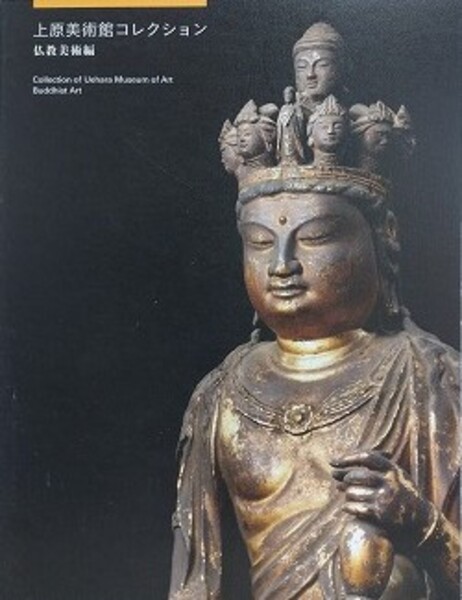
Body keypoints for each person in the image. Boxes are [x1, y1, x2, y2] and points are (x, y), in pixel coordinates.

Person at [169, 23, 459, 600]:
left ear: (384, 238)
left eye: (317, 237)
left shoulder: (431, 378)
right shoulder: (220, 395)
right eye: (259, 242)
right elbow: (193, 583)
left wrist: (419, 521)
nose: (282, 264)